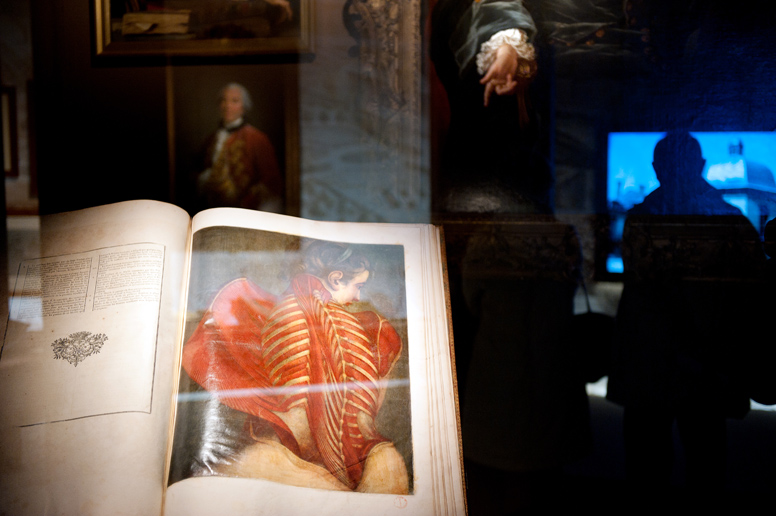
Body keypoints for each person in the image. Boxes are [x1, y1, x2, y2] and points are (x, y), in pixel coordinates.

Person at [180, 240, 409, 494]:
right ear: (335, 279)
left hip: (327, 454)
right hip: (292, 452)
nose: (358, 297)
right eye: (358, 286)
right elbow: (296, 409)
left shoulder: (360, 325)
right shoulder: (294, 313)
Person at [430, 0, 552, 214]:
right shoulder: (456, 9)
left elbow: (529, 67)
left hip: (530, 156)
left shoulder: (534, 9)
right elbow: (494, 19)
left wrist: (518, 66)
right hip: (477, 158)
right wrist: (505, 51)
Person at [195, 83, 284, 213]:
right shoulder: (211, 139)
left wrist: (246, 204)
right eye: (223, 100)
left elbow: (271, 181)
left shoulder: (257, 138)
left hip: (245, 212)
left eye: (234, 101)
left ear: (244, 108)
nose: (227, 106)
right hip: (213, 210)